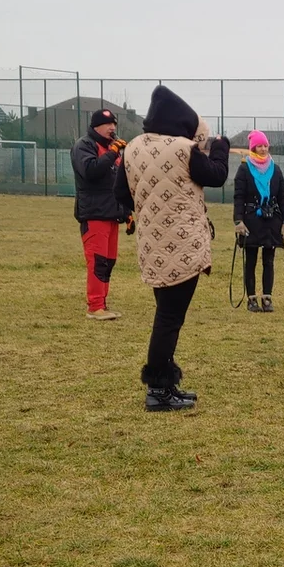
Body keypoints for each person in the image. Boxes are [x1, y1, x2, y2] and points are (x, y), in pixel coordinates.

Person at [113, 85, 230, 412]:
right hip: (183, 244)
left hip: (151, 244)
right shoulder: (183, 149)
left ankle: (166, 382)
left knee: (166, 313)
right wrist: (220, 147)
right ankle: (158, 390)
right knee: (169, 318)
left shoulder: (132, 149)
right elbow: (217, 175)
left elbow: (121, 194)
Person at [71, 109, 130, 320]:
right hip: (94, 214)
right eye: (108, 124)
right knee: (97, 262)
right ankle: (94, 307)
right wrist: (113, 152)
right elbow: (91, 172)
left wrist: (127, 212)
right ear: (96, 126)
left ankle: (102, 304)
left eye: (114, 124)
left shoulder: (110, 150)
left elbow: (117, 185)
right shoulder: (84, 146)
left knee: (108, 261)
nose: (112, 128)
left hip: (111, 214)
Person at [233, 130, 284, 313]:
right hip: (251, 219)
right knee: (250, 260)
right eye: (260, 145)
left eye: (265, 145)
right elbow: (239, 197)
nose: (263, 148)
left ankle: (267, 297)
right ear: (253, 147)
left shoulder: (276, 169)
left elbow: (283, 197)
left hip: (272, 219)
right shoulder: (244, 168)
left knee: (269, 259)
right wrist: (238, 221)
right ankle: (251, 299)